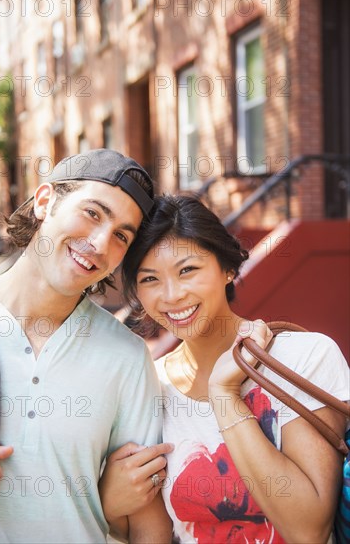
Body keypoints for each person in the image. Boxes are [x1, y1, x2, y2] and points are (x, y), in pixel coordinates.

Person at [0, 149, 173, 543]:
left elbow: (145, 522)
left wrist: (107, 498)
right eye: (92, 213)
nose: (101, 243)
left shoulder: (127, 357)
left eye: (122, 235)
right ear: (44, 201)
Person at [101, 194, 350, 543]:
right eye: (149, 279)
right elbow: (151, 530)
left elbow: (308, 529)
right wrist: (110, 504)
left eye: (188, 270)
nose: (171, 295)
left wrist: (224, 394)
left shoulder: (304, 358)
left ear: (227, 268)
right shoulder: (150, 387)